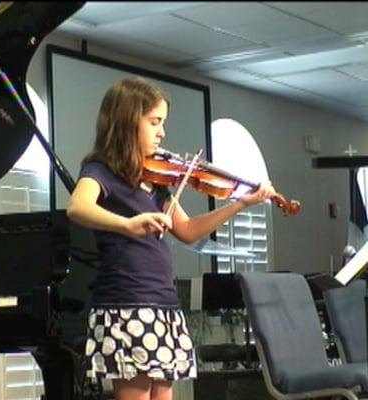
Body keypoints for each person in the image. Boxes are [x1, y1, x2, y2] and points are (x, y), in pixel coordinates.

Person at [67, 76, 276, 400]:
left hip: (163, 304)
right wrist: (128, 224)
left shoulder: (156, 181)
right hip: (128, 305)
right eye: (155, 122)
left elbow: (188, 231)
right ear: (126, 122)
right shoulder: (101, 169)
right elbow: (77, 207)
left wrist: (240, 203)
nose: (162, 132)